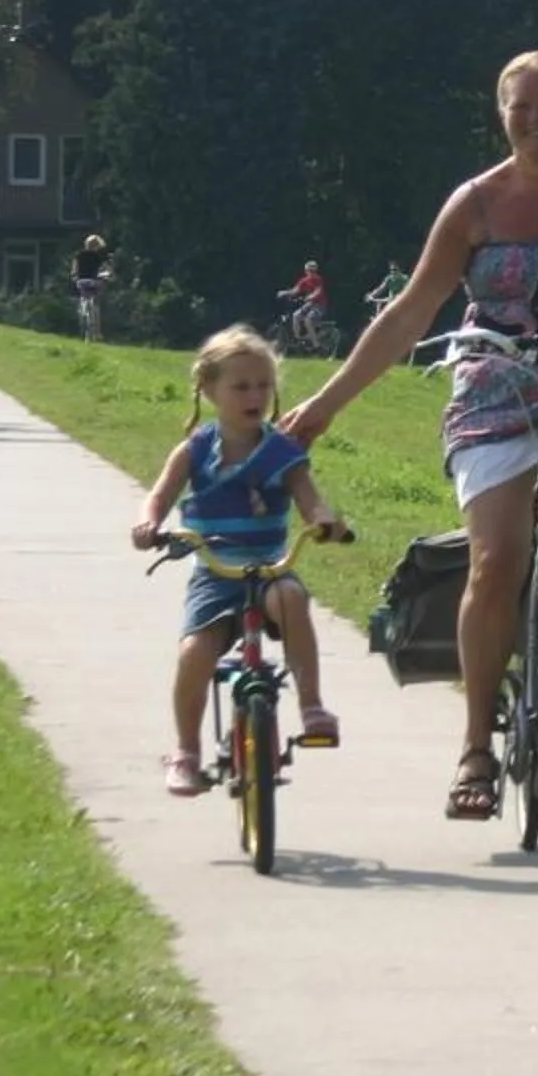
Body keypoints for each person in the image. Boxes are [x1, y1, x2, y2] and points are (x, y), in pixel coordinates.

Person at [280, 50, 538, 821]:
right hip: (495, 374)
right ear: (501, 115)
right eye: (522, 108)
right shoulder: (473, 203)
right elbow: (410, 313)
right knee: (497, 559)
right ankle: (476, 744)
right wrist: (324, 404)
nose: (537, 121)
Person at [130, 326, 354, 793]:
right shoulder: (194, 451)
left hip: (269, 566)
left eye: (263, 385)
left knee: (291, 597)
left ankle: (312, 706)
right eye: (240, 386)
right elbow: (159, 497)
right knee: (194, 653)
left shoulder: (281, 450)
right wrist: (148, 523)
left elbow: (309, 498)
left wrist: (325, 520)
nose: (254, 395)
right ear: (209, 390)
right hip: (216, 571)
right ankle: (187, 751)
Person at [72, 232, 116, 341]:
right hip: (93, 282)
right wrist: (108, 276)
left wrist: (75, 277)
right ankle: (97, 332)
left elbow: (74, 270)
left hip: (81, 282)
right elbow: (106, 270)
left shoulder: (78, 255)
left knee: (84, 296)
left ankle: (83, 311)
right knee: (96, 303)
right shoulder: (98, 257)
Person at [278, 260, 331, 348]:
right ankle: (298, 338)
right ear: (306, 271)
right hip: (309, 304)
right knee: (295, 315)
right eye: (309, 271)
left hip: (320, 305)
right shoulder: (304, 281)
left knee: (308, 320)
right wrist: (284, 293)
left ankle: (316, 345)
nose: (311, 273)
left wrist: (311, 296)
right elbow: (295, 290)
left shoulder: (318, 279)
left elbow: (319, 291)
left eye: (313, 271)